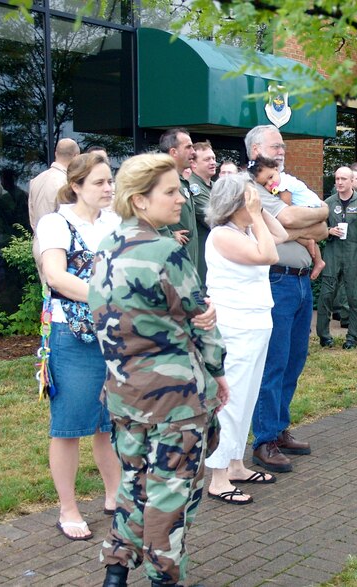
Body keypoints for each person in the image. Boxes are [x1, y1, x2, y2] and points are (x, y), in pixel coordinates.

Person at [88, 153, 228, 587]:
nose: (177, 200)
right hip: (175, 399)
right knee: (170, 492)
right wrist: (218, 371)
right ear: (140, 200)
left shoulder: (105, 248)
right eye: (168, 192)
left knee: (134, 483)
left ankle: (116, 570)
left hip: (124, 394)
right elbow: (199, 315)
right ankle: (163, 577)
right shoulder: (166, 250)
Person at [36, 153, 122, 541]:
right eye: (101, 183)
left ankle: (114, 494)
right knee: (69, 426)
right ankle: (67, 508)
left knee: (110, 421)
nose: (109, 189)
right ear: (77, 186)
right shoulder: (56, 222)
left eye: (111, 181)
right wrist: (108, 296)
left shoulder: (114, 222)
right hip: (71, 335)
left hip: (114, 333)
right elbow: (56, 276)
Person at [244, 125, 328, 472]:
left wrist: (290, 230)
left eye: (282, 146)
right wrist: (299, 225)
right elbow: (295, 216)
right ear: (255, 152)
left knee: (295, 360)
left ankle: (279, 429)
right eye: (274, 146)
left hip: (301, 283)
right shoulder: (250, 187)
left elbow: (324, 221)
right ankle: (264, 440)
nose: (282, 150)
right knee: (274, 362)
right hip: (275, 281)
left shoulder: (290, 183)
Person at [203, 173, 288, 504]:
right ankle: (218, 475)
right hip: (234, 326)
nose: (256, 201)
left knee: (248, 397)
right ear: (234, 203)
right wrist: (255, 215)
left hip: (255, 322)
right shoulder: (223, 235)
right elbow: (270, 255)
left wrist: (260, 212)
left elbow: (279, 234)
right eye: (250, 197)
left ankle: (236, 464)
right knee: (231, 399)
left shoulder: (248, 229)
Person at [316, 167, 357, 349]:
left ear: (352, 181)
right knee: (326, 296)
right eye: (337, 179)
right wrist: (328, 231)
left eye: (343, 179)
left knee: (354, 298)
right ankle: (324, 335)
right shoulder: (328, 203)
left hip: (354, 254)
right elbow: (317, 229)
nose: (340, 182)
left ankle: (353, 336)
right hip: (333, 253)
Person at [248, 156, 325, 278]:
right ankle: (314, 254)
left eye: (270, 177)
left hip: (308, 207)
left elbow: (287, 211)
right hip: (311, 208)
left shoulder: (284, 185)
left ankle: (318, 260)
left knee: (285, 228)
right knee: (302, 235)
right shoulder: (281, 181)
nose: (270, 184)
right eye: (265, 184)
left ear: (276, 169)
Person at [29, 139, 81, 277]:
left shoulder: (36, 180)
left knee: (47, 293)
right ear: (76, 156)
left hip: (39, 243)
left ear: (56, 153)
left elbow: (32, 215)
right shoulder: (67, 183)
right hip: (60, 246)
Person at [160, 128, 199, 264]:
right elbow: (144, 213)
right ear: (173, 152)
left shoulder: (181, 181)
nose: (193, 152)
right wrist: (168, 235)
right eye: (188, 147)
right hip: (172, 265)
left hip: (188, 263)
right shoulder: (161, 179)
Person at [188, 140, 218, 286]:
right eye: (207, 159)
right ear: (193, 164)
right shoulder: (194, 187)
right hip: (201, 262)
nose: (213, 162)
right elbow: (215, 219)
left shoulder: (214, 186)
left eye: (213, 158)